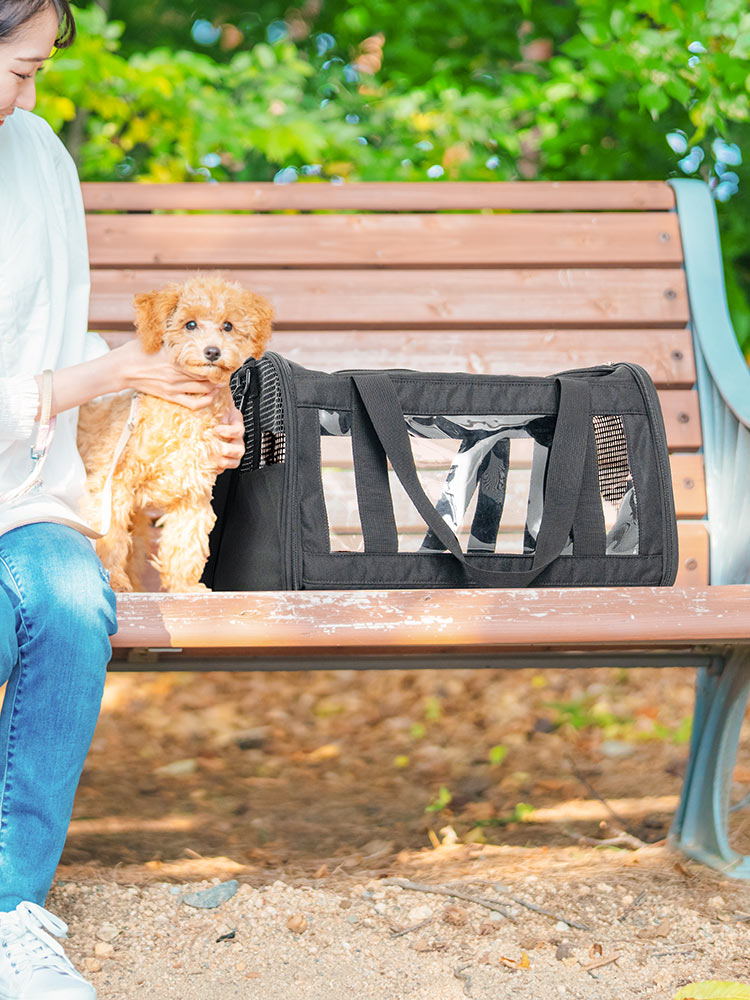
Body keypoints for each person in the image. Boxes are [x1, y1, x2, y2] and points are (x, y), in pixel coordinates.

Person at [0, 2, 246, 996]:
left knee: (69, 603)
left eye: (38, 73)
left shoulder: (37, 155)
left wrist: (180, 413)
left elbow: (59, 343)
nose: (28, 97)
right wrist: (103, 377)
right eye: (18, 69)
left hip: (22, 497)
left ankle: (11, 911)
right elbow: (75, 374)